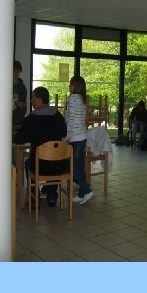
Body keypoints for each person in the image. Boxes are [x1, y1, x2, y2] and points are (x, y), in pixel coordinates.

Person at [13, 86, 67, 207]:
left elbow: (19, 139)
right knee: (53, 159)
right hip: (60, 165)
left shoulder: (31, 119)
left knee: (29, 163)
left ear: (39, 99)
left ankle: (34, 199)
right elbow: (64, 132)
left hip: (40, 166)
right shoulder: (57, 115)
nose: (31, 100)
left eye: (33, 97)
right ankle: (52, 195)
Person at [65, 75, 93, 204]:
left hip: (75, 138)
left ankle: (86, 190)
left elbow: (70, 121)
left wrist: (66, 138)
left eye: (70, 84)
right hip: (83, 136)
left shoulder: (72, 99)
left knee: (73, 167)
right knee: (80, 166)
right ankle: (82, 194)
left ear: (74, 86)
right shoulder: (83, 99)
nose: (69, 86)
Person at [12, 60, 27, 131]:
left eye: (18, 71)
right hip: (8, 117)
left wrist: (22, 105)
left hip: (20, 116)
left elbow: (24, 101)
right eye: (15, 70)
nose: (16, 73)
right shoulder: (5, 83)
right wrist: (15, 103)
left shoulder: (22, 85)